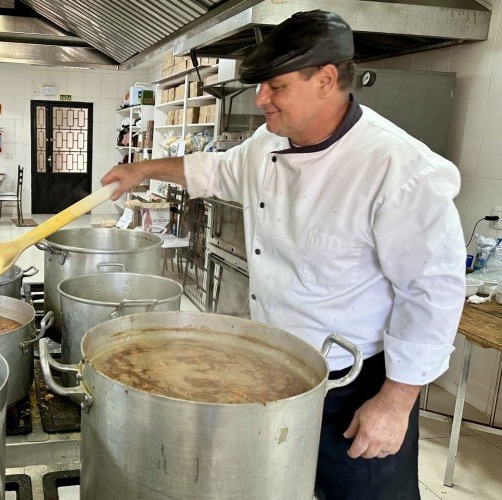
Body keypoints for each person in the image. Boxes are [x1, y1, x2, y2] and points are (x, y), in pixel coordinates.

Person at [102, 10, 465, 500]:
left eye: (276, 86)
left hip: (354, 387)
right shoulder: (267, 143)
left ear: (326, 80)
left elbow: (432, 294)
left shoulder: (398, 168)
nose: (261, 99)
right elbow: (215, 170)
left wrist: (394, 405)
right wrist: (142, 169)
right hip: (273, 371)